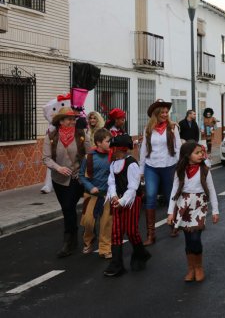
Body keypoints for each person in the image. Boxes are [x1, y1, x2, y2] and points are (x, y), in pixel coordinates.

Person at [42, 107, 91, 258]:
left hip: (77, 178)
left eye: (73, 119)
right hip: (59, 179)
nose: (72, 121)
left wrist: (83, 173)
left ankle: (67, 241)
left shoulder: (82, 134)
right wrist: (58, 168)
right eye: (69, 119)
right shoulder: (51, 136)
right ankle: (73, 237)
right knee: (66, 209)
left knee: (69, 206)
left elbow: (89, 156)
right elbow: (46, 158)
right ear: (61, 121)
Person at [167, 141, 219, 282]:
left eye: (201, 152)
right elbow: (174, 190)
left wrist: (215, 210)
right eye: (197, 153)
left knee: (196, 237)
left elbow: (212, 190)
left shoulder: (205, 170)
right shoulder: (180, 170)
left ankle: (199, 267)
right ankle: (191, 268)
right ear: (187, 155)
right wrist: (170, 212)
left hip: (199, 206)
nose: (200, 154)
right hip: (183, 205)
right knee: (188, 239)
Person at [103, 135, 151, 277]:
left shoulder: (132, 164)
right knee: (116, 232)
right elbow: (111, 182)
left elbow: (133, 187)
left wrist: (122, 201)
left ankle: (141, 254)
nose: (112, 151)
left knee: (131, 231)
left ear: (120, 149)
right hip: (117, 200)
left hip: (131, 201)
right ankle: (116, 264)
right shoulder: (113, 164)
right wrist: (113, 196)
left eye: (114, 149)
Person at [139, 99, 181, 245]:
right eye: (162, 112)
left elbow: (178, 148)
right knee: (150, 197)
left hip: (169, 166)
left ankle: (174, 225)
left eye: (166, 112)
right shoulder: (148, 129)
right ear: (156, 114)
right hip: (152, 166)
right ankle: (151, 234)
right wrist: (141, 169)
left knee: (171, 196)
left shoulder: (172, 128)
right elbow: (143, 148)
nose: (165, 114)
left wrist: (179, 166)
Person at [79, 128, 112, 258]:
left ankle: (105, 248)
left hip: (108, 195)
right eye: (108, 141)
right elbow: (81, 175)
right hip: (92, 195)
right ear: (98, 143)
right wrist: (90, 186)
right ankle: (89, 240)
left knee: (106, 223)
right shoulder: (89, 157)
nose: (111, 143)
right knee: (88, 222)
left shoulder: (113, 156)